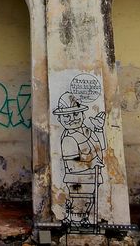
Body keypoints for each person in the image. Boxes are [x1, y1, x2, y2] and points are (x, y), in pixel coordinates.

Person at [53, 91, 105, 226]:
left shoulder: (87, 130)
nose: (72, 118)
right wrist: (92, 162)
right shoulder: (68, 138)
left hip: (92, 177)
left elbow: (101, 147)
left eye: (75, 114)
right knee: (78, 203)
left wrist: (99, 130)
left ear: (82, 114)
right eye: (66, 116)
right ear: (60, 119)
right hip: (77, 180)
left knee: (88, 202)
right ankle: (74, 223)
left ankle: (82, 221)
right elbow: (72, 164)